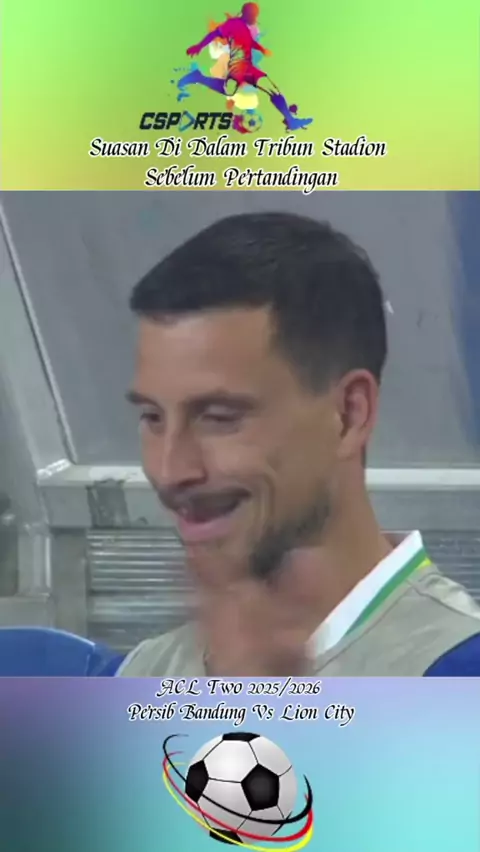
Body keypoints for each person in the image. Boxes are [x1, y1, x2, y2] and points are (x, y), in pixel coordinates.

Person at [118, 211, 480, 677]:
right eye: (152, 417)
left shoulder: (458, 675)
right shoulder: (142, 670)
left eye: (219, 418)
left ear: (349, 415)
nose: (170, 471)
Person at [179, 3, 312, 131]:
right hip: (237, 66)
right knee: (229, 90)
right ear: (246, 13)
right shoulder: (233, 24)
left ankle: (291, 120)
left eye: (256, 15)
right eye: (253, 15)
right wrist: (199, 46)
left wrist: (262, 49)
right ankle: (198, 77)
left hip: (248, 66)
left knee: (272, 89)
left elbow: (250, 41)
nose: (255, 18)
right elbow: (214, 34)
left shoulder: (245, 26)